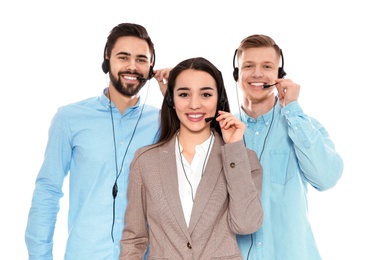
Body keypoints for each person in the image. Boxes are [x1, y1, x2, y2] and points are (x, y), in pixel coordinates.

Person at [25, 23, 170, 260]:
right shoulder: (69, 118)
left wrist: (175, 99)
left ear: (152, 66)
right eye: (123, 57)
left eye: (141, 59)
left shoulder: (164, 122)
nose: (132, 66)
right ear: (107, 58)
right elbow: (48, 191)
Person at [119, 57, 264, 259]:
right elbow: (134, 240)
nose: (194, 104)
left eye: (206, 94)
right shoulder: (145, 161)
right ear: (171, 100)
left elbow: (246, 224)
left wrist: (233, 149)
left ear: (219, 100)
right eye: (184, 94)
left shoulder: (243, 159)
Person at [232, 34, 344, 260]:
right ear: (237, 74)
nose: (257, 73)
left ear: (279, 76)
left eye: (267, 66)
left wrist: (292, 109)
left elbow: (326, 178)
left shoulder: (304, 126)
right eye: (248, 66)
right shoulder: (223, 133)